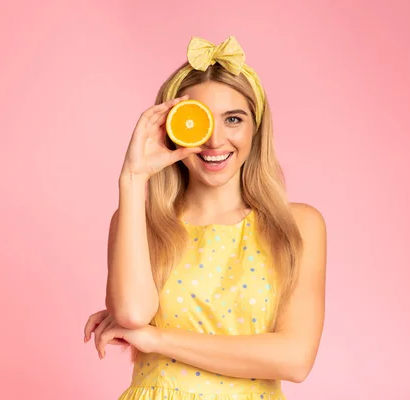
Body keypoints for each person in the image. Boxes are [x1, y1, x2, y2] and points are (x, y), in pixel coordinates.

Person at [83, 36, 327, 400]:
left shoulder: (299, 225)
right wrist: (133, 179)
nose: (215, 140)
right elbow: (132, 313)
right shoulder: (136, 221)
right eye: (198, 121)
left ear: (255, 129)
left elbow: (294, 359)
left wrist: (157, 339)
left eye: (233, 119)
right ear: (170, 127)